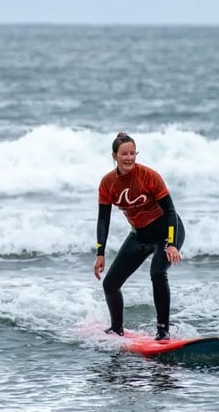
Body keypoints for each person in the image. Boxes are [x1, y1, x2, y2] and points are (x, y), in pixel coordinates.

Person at [93, 132, 185, 341]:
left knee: (157, 273)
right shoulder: (108, 183)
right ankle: (117, 329)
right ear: (114, 156)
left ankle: (163, 330)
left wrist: (171, 244)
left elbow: (170, 212)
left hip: (166, 231)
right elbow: (103, 220)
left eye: (133, 153)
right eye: (124, 154)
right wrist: (100, 253)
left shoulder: (148, 176)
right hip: (140, 235)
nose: (129, 158)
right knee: (110, 284)